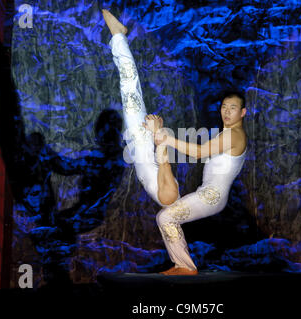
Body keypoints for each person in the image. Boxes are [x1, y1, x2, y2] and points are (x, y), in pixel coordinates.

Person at [102, 10, 247, 276]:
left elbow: (201, 151)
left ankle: (185, 265)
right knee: (131, 93)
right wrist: (162, 139)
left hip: (211, 197)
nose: (226, 112)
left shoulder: (233, 135)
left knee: (166, 216)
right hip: (207, 193)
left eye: (233, 108)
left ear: (243, 113)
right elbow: (192, 153)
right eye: (224, 107)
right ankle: (119, 39)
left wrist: (166, 138)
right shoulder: (229, 133)